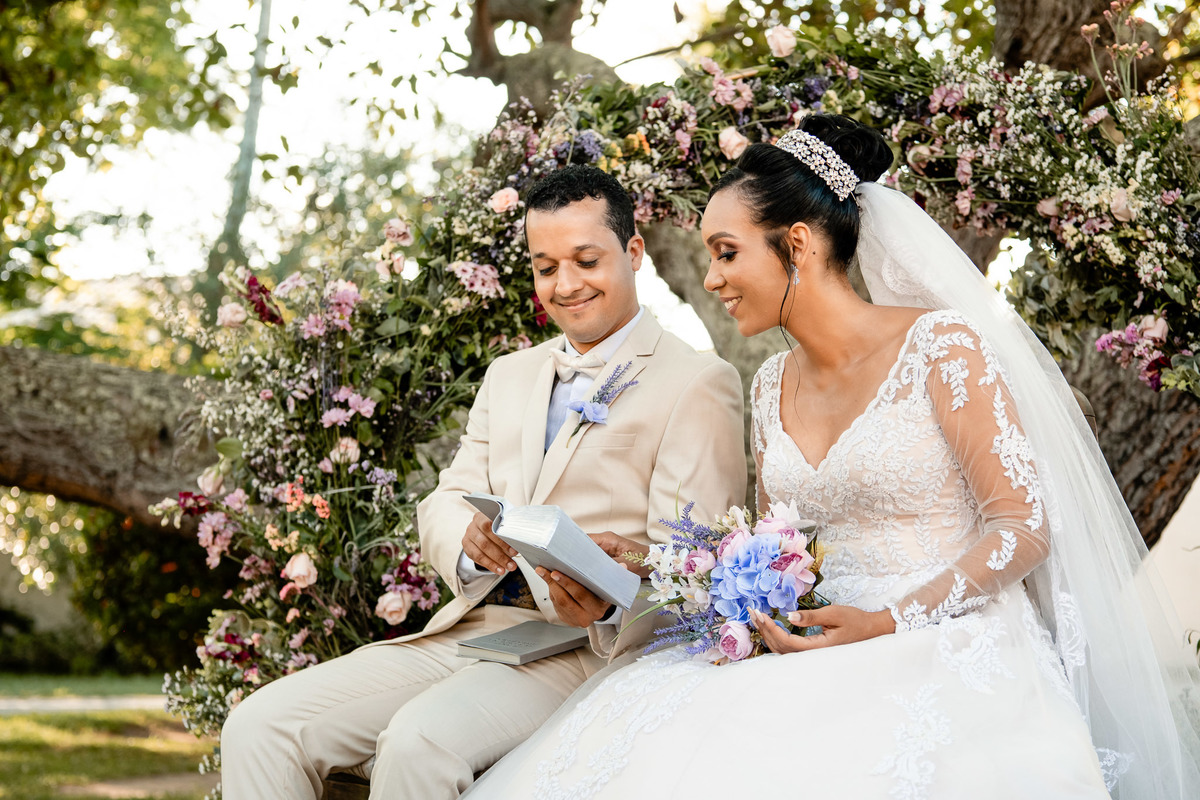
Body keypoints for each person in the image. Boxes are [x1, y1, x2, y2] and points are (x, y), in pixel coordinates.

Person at [462, 115, 1200, 799]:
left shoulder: (944, 348)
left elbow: (1023, 528)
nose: (711, 278)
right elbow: (767, 546)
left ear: (799, 245)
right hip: (809, 639)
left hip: (940, 635)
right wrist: (648, 562)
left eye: (726, 252)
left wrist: (884, 621)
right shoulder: (769, 382)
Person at [218, 164, 747, 800]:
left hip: (594, 648)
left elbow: (696, 566)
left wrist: (609, 600)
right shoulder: (510, 375)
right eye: (546, 266)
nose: (566, 284)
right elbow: (446, 497)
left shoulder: (698, 380)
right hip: (477, 628)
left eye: (586, 260)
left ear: (633, 253)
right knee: (259, 726)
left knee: (417, 744)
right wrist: (469, 546)